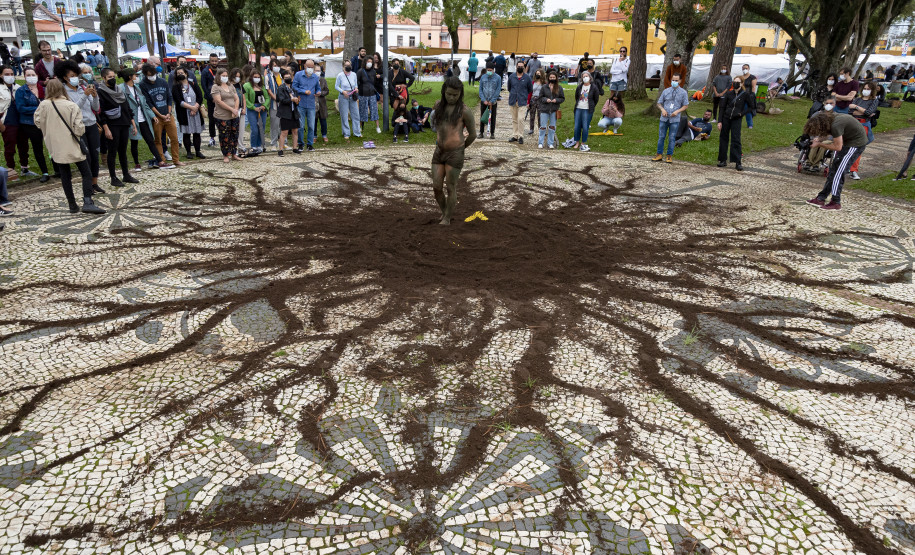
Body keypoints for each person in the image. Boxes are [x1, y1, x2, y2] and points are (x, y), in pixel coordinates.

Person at [34, 79, 105, 214]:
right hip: (72, 143)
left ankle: (72, 204)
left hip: (55, 145)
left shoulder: (43, 105)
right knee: (86, 173)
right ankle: (88, 201)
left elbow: (37, 122)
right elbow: (79, 129)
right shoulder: (71, 105)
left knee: (65, 175)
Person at [430, 77, 477, 225]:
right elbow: (434, 123)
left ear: (460, 94)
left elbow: (473, 134)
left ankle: (447, 218)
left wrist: (461, 148)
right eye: (449, 94)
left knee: (451, 187)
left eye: (455, 95)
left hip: (455, 153)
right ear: (444, 91)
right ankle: (445, 212)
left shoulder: (464, 111)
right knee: (437, 187)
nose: (451, 97)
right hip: (439, 151)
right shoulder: (438, 106)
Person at [804, 111, 868, 210]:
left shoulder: (836, 125)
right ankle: (821, 197)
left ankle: (835, 202)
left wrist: (819, 144)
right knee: (833, 171)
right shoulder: (830, 120)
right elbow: (827, 134)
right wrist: (819, 139)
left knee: (839, 172)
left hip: (855, 144)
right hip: (847, 142)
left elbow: (837, 147)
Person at [58, 60, 102, 192]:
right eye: (71, 76)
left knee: (95, 155)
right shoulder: (63, 92)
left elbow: (96, 108)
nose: (75, 78)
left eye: (76, 75)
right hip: (79, 127)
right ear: (65, 77)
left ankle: (94, 183)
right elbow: (73, 109)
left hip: (92, 124)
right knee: (86, 157)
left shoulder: (83, 88)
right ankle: (88, 185)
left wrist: (95, 97)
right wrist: (85, 95)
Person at [96, 67, 138, 188]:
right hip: (112, 124)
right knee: (112, 151)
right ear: (104, 78)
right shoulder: (101, 92)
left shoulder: (119, 90)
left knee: (123, 150)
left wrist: (133, 123)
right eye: (110, 77)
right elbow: (101, 111)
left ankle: (126, 174)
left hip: (124, 122)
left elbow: (126, 107)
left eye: (113, 77)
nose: (112, 79)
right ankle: (113, 177)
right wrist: (106, 128)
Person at [139, 63, 184, 167]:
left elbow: (169, 97)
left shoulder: (162, 81)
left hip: (168, 114)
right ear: (145, 74)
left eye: (153, 74)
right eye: (149, 75)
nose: (152, 76)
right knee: (158, 139)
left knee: (174, 138)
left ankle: (176, 160)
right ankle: (162, 160)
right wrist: (160, 115)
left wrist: (168, 113)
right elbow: (148, 102)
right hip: (156, 117)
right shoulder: (143, 84)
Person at [122, 68, 162, 171]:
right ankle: (136, 164)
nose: (137, 77)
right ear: (130, 77)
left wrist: (152, 115)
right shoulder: (121, 89)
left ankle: (160, 160)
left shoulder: (137, 88)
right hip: (132, 119)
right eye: (135, 76)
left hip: (143, 118)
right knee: (134, 142)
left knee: (150, 140)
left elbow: (144, 104)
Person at [15, 68, 50, 182]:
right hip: (30, 123)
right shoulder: (21, 91)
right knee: (37, 147)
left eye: (33, 74)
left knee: (51, 145)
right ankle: (45, 171)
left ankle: (58, 168)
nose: (31, 77)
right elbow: (21, 108)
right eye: (28, 75)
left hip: (46, 121)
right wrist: (39, 108)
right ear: (24, 77)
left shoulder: (43, 89)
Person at [717, 78, 754, 171]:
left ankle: (737, 161)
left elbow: (751, 106)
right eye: (734, 82)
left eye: (737, 82)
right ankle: (722, 160)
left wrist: (742, 113)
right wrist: (720, 121)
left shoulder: (745, 94)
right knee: (723, 138)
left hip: (736, 119)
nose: (735, 84)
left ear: (741, 84)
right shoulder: (728, 94)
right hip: (726, 118)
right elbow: (722, 107)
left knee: (736, 139)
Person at [845, 81, 878, 180]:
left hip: (864, 125)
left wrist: (856, 108)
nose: (866, 91)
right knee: (847, 146)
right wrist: (861, 110)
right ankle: (844, 166)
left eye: (868, 89)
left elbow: (868, 112)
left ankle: (853, 170)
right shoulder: (857, 99)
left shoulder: (874, 100)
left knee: (858, 148)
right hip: (853, 123)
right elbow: (850, 111)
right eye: (865, 89)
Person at [172, 66, 207, 159]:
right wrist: (191, 108)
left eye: (182, 73)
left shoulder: (193, 84)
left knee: (197, 132)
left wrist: (195, 107)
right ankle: (188, 152)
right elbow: (179, 101)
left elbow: (200, 96)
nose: (180, 75)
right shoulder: (175, 87)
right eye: (178, 73)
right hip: (184, 113)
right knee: (186, 133)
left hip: (195, 112)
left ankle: (198, 151)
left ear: (186, 74)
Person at [654, 73, 689, 163]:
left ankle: (669, 156)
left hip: (675, 119)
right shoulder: (666, 91)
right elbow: (659, 103)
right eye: (673, 80)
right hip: (664, 118)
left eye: (676, 80)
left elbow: (685, 105)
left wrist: (677, 112)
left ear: (680, 81)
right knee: (661, 136)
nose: (674, 82)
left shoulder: (683, 93)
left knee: (672, 137)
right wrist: (662, 110)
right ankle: (659, 154)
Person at [210, 68, 242, 162]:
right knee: (225, 135)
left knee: (234, 134)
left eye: (226, 76)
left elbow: (236, 98)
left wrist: (235, 109)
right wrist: (231, 109)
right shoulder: (216, 87)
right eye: (223, 76)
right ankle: (226, 154)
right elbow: (219, 101)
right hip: (222, 115)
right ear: (219, 76)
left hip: (234, 115)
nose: (225, 77)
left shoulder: (231, 85)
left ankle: (233, 153)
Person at [0, 65, 25, 181]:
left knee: (23, 145)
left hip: (21, 120)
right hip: (8, 122)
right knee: (10, 147)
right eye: (6, 74)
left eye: (11, 74)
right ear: (1, 75)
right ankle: (11, 170)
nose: (10, 76)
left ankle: (24, 167)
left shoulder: (18, 87)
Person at [568, 69, 600, 152]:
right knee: (577, 127)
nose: (585, 78)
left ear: (590, 77)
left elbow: (596, 99)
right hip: (579, 108)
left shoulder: (594, 87)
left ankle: (583, 143)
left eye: (586, 76)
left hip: (587, 109)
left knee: (585, 127)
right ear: (581, 78)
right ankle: (577, 142)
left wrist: (591, 106)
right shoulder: (579, 87)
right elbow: (576, 97)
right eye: (583, 76)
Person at [293, 59, 321, 150]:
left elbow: (318, 88)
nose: (310, 69)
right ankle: (301, 143)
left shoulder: (315, 77)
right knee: (301, 126)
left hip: (311, 104)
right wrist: (303, 91)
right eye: (309, 67)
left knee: (311, 125)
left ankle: (310, 144)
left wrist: (318, 92)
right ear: (305, 66)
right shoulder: (298, 75)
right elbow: (294, 86)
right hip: (301, 103)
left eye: (312, 67)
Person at [275, 69, 300, 156]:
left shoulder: (293, 88)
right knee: (284, 132)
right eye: (286, 77)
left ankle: (295, 147)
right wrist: (291, 99)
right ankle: (280, 149)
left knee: (295, 131)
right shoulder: (281, 88)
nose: (288, 79)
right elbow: (281, 100)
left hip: (294, 112)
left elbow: (296, 98)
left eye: (289, 77)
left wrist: (297, 101)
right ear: (283, 78)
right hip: (285, 112)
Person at [507, 61, 532, 145]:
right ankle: (515, 135)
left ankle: (521, 136)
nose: (520, 68)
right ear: (516, 67)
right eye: (519, 66)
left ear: (524, 67)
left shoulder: (527, 78)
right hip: (513, 100)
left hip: (522, 101)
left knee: (521, 119)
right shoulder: (511, 77)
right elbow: (509, 88)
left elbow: (530, 89)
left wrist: (525, 97)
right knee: (514, 119)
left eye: (522, 66)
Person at [336, 61, 362, 141]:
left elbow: (355, 84)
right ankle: (346, 133)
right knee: (344, 115)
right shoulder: (340, 75)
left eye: (349, 65)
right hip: (343, 96)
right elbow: (336, 86)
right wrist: (343, 91)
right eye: (346, 65)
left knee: (356, 114)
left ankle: (357, 132)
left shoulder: (354, 74)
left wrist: (356, 88)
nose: (348, 66)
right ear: (343, 66)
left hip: (352, 95)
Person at [243, 68, 267, 153]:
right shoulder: (246, 86)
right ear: (251, 77)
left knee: (261, 127)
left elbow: (267, 97)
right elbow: (245, 99)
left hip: (262, 109)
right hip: (252, 109)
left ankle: (260, 144)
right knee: (254, 128)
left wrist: (264, 106)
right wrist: (253, 107)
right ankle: (254, 145)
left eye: (258, 77)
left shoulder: (262, 86)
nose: (257, 78)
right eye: (255, 77)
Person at [538, 70, 564, 149]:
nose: (552, 78)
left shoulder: (559, 88)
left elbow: (562, 98)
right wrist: (546, 99)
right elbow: (540, 97)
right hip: (544, 109)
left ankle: (550, 143)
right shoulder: (544, 87)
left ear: (556, 78)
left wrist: (556, 100)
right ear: (548, 78)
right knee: (543, 127)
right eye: (551, 77)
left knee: (552, 127)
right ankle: (541, 142)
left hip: (554, 109)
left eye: (553, 77)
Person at [201, 53, 220, 147]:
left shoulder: (220, 71)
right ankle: (212, 137)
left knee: (222, 118)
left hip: (221, 99)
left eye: (216, 61)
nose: (214, 62)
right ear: (209, 61)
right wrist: (211, 98)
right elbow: (204, 86)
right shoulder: (205, 71)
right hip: (211, 100)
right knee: (212, 119)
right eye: (212, 61)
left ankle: (223, 136)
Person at [357, 56, 380, 134]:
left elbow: (375, 82)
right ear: (365, 62)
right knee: (362, 111)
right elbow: (357, 82)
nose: (369, 63)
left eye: (371, 61)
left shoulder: (373, 72)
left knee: (374, 110)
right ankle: (360, 127)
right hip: (363, 94)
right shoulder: (360, 71)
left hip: (372, 94)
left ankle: (377, 127)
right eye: (368, 61)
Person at [478, 63, 500, 139]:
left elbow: (498, 90)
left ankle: (492, 133)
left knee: (493, 117)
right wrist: (483, 99)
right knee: (482, 116)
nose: (489, 71)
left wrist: (493, 100)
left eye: (490, 70)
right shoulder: (483, 77)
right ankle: (481, 132)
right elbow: (480, 89)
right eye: (488, 70)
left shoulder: (498, 78)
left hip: (492, 102)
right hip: (484, 100)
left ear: (493, 70)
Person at [266, 59, 283, 149]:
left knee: (282, 124)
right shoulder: (268, 77)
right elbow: (268, 89)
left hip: (283, 103)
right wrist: (275, 98)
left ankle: (283, 142)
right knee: (274, 124)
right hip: (274, 103)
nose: (276, 67)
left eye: (277, 65)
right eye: (274, 65)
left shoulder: (281, 76)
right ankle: (273, 143)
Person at [230, 68, 247, 151]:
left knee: (241, 129)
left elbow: (243, 98)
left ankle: (241, 145)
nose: (238, 78)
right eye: (236, 76)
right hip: (232, 109)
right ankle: (233, 146)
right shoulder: (229, 85)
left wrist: (244, 108)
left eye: (239, 76)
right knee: (233, 129)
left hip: (241, 109)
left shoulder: (240, 85)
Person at [738, 64, 758, 128]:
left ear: (749, 69)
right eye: (743, 68)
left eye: (746, 68)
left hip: (749, 96)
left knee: (747, 110)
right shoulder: (741, 77)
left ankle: (750, 124)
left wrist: (752, 94)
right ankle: (737, 122)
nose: (745, 70)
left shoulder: (752, 77)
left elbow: (753, 87)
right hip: (741, 96)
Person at [315, 64, 330, 144]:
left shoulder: (323, 80)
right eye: (316, 71)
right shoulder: (311, 80)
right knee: (314, 120)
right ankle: (314, 136)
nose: (318, 72)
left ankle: (324, 135)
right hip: (314, 103)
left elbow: (327, 91)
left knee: (323, 120)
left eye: (319, 71)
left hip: (322, 103)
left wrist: (321, 93)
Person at [527, 69, 545, 136]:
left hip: (540, 100)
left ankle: (541, 129)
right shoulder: (533, 82)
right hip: (533, 99)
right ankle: (531, 129)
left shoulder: (544, 84)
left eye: (539, 73)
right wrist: (528, 102)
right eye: (536, 73)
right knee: (532, 115)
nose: (538, 75)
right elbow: (530, 93)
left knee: (540, 115)